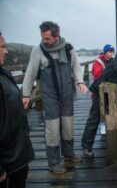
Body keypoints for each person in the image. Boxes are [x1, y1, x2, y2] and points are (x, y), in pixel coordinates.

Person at [22, 21, 88, 173]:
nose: (44, 41)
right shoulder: (38, 51)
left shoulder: (68, 48)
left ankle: (69, 153)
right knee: (52, 129)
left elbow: (76, 67)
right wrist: (26, 94)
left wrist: (80, 81)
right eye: (42, 38)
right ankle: (53, 162)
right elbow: (30, 73)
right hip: (49, 95)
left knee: (68, 125)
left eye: (47, 38)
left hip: (67, 94)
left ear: (56, 36)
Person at [0, 32, 35, 188]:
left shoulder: (4, 74)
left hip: (16, 157)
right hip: (6, 162)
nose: (6, 51)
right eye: (2, 47)